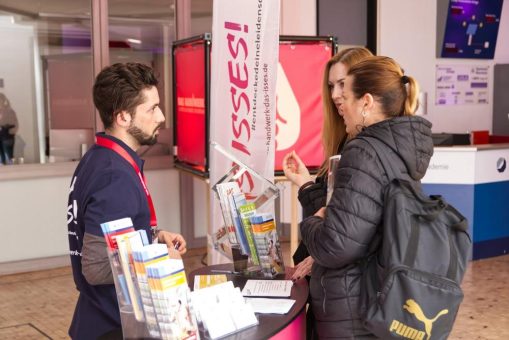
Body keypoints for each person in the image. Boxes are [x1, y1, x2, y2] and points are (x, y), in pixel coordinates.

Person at [291, 56, 434, 338]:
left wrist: (312, 224)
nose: (339, 104)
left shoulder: (363, 152)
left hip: (351, 306)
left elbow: (337, 245)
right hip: (376, 298)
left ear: (366, 102)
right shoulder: (398, 151)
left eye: (345, 95)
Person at [67, 63, 187, 340]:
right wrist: (160, 258)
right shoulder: (114, 176)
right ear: (122, 117)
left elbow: (111, 236)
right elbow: (96, 268)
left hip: (101, 319)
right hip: (113, 325)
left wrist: (151, 237)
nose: (161, 116)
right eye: (151, 108)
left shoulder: (100, 158)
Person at [282, 47, 373, 340]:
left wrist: (320, 255)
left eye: (343, 84)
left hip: (347, 295)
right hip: (332, 287)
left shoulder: (365, 150)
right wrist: (307, 183)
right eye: (331, 85)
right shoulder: (345, 141)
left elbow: (350, 229)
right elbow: (335, 212)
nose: (335, 94)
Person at [0, 93, 19, 165]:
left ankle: (12, 171)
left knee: (9, 155)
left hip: (7, 136)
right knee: (1, 158)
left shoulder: (9, 111)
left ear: (3, 100)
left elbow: (15, 123)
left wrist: (11, 131)